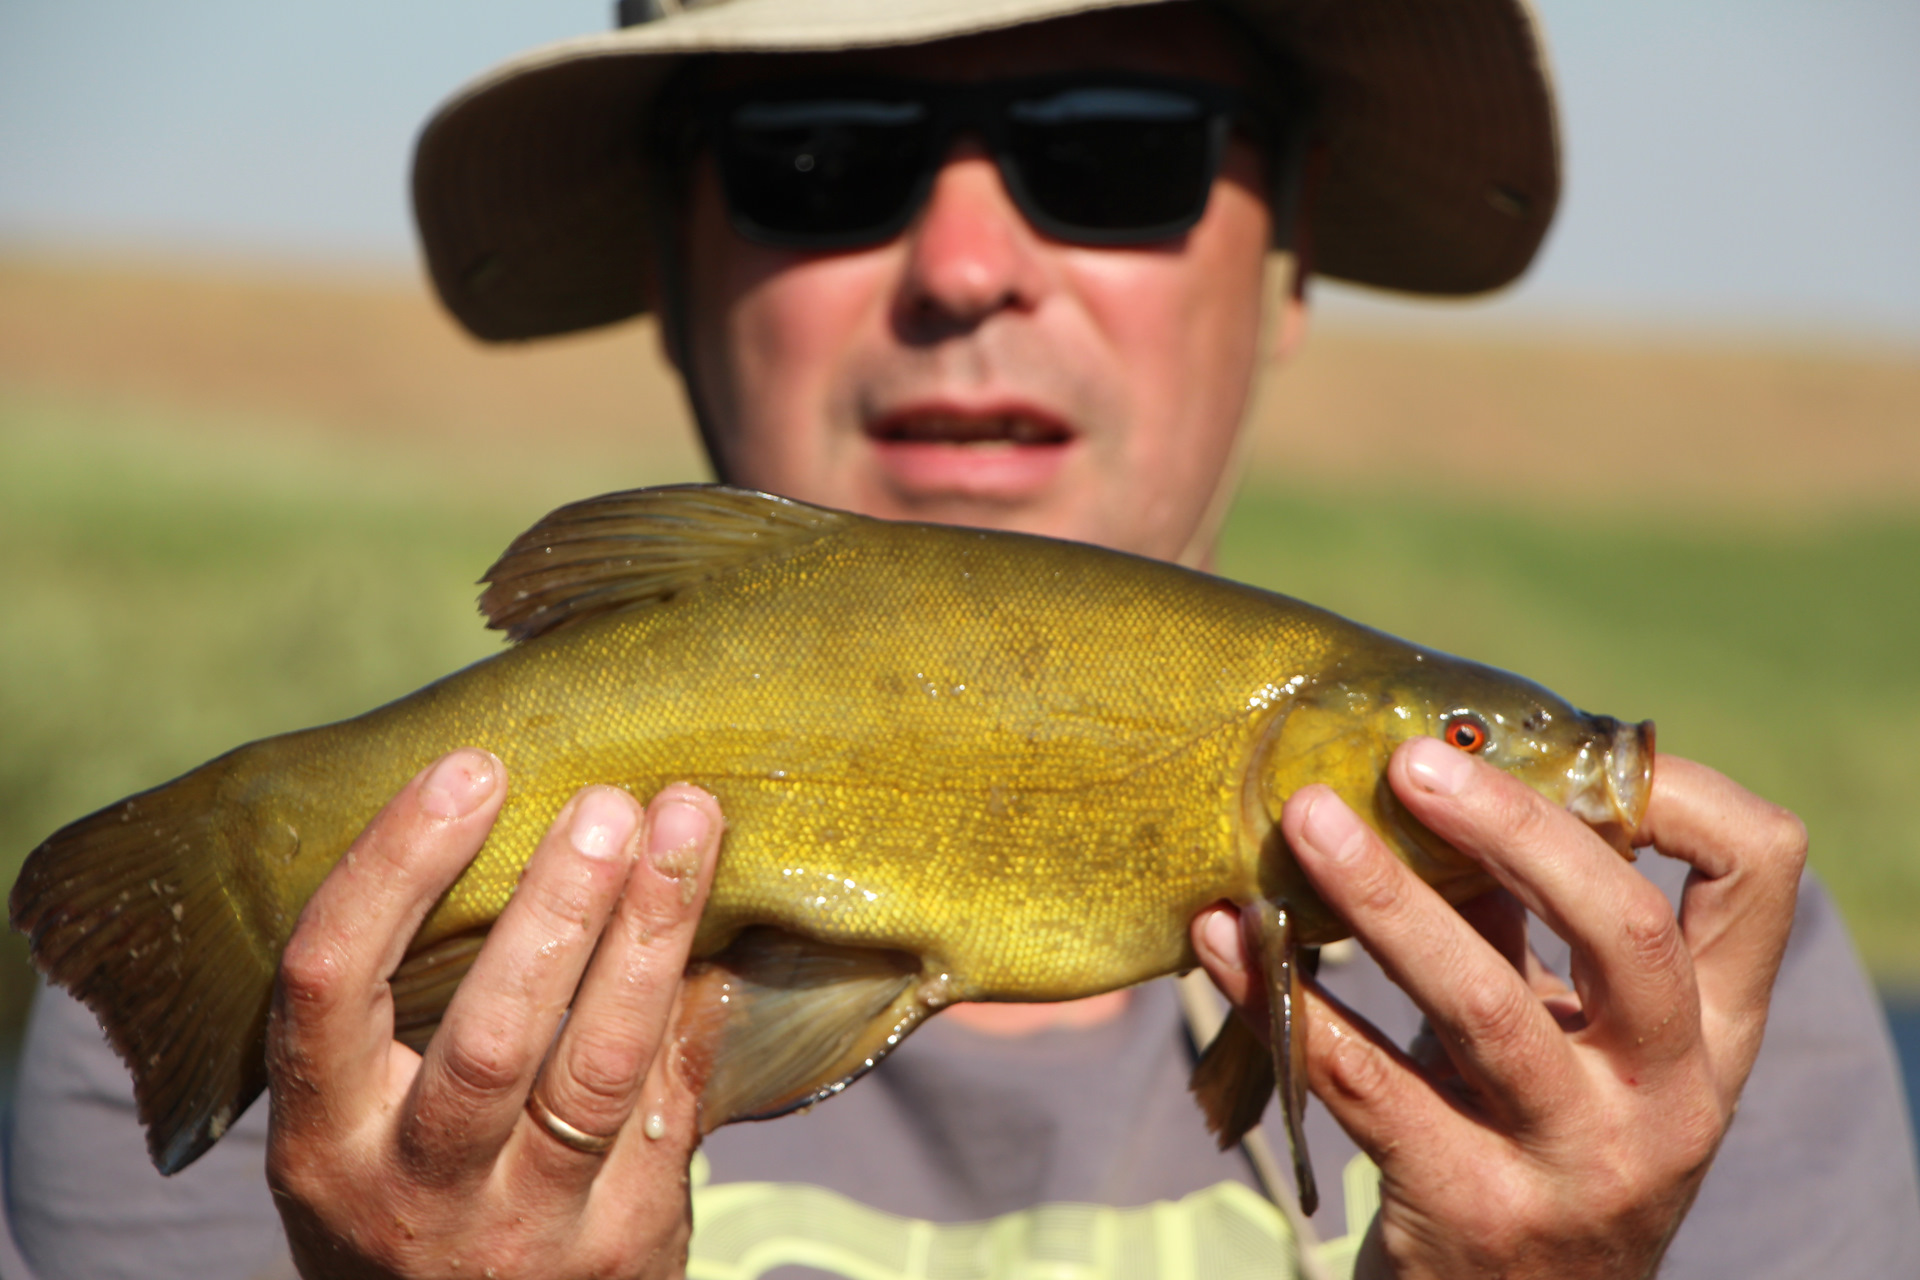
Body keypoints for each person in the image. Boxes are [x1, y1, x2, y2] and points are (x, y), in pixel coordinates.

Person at [6, 1, 1917, 1277]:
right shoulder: (301, 1005)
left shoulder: (1655, 1005)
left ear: (1295, 257)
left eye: (1116, 147)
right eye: (819, 157)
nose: (966, 262)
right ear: (670, 271)